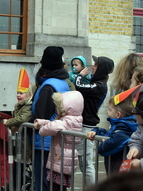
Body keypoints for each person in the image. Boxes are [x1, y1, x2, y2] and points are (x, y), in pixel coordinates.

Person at [30, 46, 71, 191]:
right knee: (54, 183)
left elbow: (42, 114)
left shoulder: (48, 86)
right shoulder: (63, 82)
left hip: (45, 141)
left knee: (43, 181)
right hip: (56, 139)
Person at [74, 55, 114, 187]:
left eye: (95, 65)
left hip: (87, 125)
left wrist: (80, 75)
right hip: (83, 123)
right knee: (82, 162)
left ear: (101, 69)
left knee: (85, 162)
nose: (92, 67)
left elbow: (79, 86)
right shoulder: (95, 81)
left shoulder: (99, 85)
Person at [34, 91, 84, 191]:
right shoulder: (75, 119)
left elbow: (53, 127)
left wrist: (41, 129)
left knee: (54, 186)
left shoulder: (66, 121)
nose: (56, 108)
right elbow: (54, 123)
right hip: (65, 159)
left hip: (60, 160)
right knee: (59, 186)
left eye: (58, 106)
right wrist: (41, 122)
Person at [86, 95, 137, 175]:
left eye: (109, 109)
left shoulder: (124, 128)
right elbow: (109, 134)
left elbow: (106, 147)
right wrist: (96, 131)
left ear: (118, 114)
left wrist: (103, 143)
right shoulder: (120, 126)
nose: (107, 111)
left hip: (120, 171)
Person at [2, 68, 34, 189]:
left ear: (29, 95)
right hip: (18, 142)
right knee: (17, 166)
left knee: (21, 167)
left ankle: (18, 185)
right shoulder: (19, 106)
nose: (18, 95)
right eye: (17, 92)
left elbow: (23, 118)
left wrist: (9, 122)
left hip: (25, 143)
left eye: (21, 93)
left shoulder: (28, 107)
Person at [126, 86, 143, 170]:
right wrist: (136, 148)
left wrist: (141, 164)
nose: (133, 113)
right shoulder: (141, 125)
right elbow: (137, 139)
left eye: (135, 112)